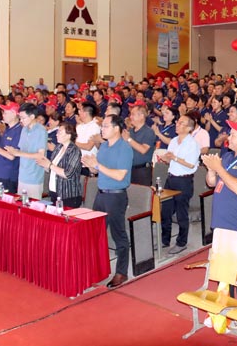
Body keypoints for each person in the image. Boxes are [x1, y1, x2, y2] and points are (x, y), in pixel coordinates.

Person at [81, 115, 133, 288]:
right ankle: (96, 269)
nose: (102, 129)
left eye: (105, 126)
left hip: (116, 196)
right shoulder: (103, 146)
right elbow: (99, 171)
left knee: (119, 235)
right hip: (101, 194)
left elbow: (119, 175)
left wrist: (97, 165)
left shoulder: (124, 148)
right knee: (95, 233)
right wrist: (90, 165)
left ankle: (121, 272)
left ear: (116, 128)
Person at [159, 113, 201, 255]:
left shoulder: (193, 144)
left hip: (184, 180)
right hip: (171, 178)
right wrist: (166, 158)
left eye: (181, 123)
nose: (177, 124)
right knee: (165, 211)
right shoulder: (173, 141)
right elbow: (170, 158)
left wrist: (174, 158)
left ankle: (181, 242)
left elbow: (190, 164)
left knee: (181, 213)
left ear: (189, 128)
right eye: (178, 122)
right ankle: (165, 239)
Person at [5, 103, 47, 199]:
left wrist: (18, 153)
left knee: (32, 205)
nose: (21, 120)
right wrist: (13, 150)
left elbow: (41, 155)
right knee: (21, 204)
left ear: (32, 117)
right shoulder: (24, 129)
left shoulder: (41, 131)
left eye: (23, 118)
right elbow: (22, 150)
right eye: (20, 118)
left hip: (34, 177)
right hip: (22, 174)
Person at [37, 122, 82, 208]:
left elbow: (68, 174)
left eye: (60, 132)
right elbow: (52, 169)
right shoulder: (58, 147)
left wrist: (49, 165)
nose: (56, 134)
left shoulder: (74, 150)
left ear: (68, 135)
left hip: (67, 194)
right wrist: (44, 164)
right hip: (55, 191)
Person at [0, 102, 23, 192]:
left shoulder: (19, 131)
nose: (3, 115)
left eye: (5, 113)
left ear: (14, 114)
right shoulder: (8, 129)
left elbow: (11, 156)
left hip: (7, 175)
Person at [124, 102, 156, 186]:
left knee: (142, 193)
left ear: (141, 116)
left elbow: (143, 149)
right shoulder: (130, 131)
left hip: (142, 171)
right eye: (130, 114)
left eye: (133, 114)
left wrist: (128, 139)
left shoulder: (148, 132)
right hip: (129, 169)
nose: (130, 117)